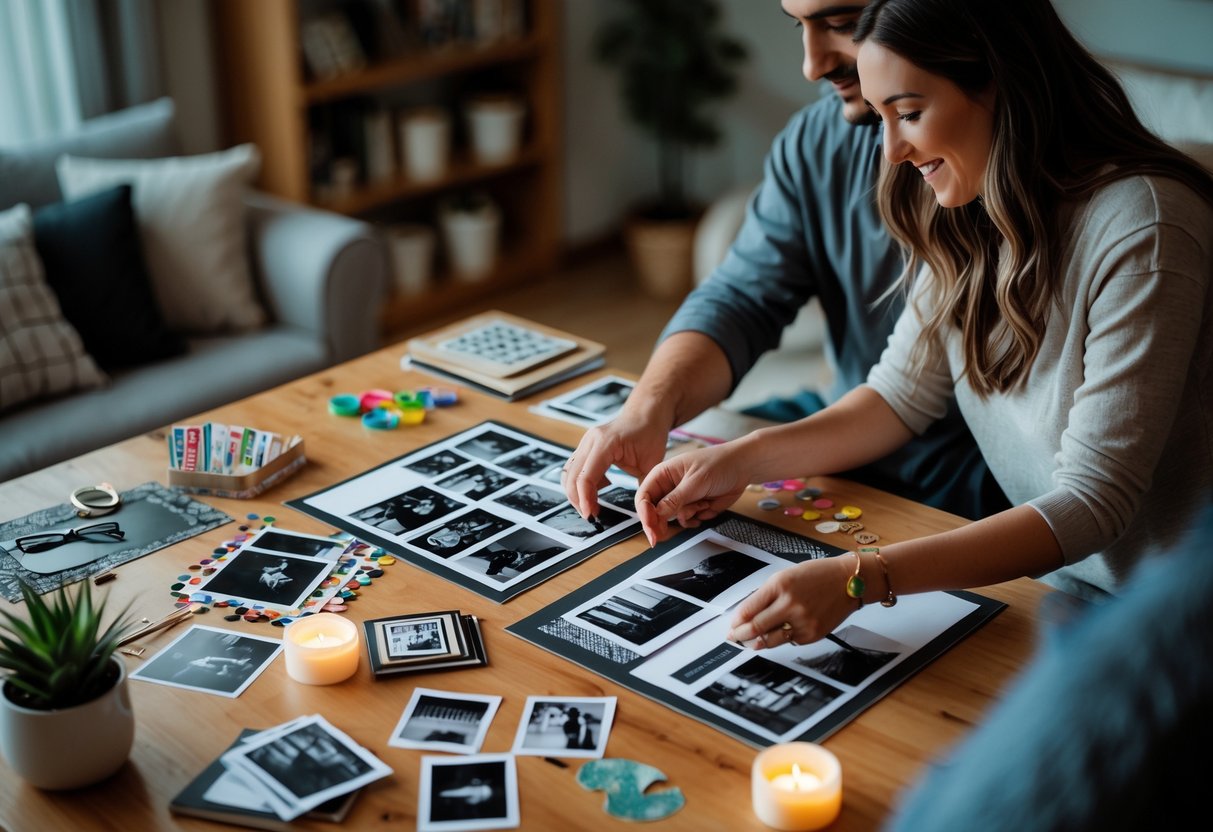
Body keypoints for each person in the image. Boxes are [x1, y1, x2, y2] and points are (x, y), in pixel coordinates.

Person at [635, 0, 1213, 647]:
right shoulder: (961, 208)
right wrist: (732, 461)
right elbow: (893, 399)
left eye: (908, 113)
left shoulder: (1144, 225)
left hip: (1167, 611)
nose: (892, 150)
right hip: (1055, 586)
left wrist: (862, 578)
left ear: (999, 83)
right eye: (881, 117)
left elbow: (1093, 503)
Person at [563, 0, 1010, 524]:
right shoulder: (818, 140)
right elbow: (742, 299)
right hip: (839, 427)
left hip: (973, 483)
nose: (812, 66)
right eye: (800, 26)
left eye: (843, 25)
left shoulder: (1030, 191)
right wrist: (645, 411)